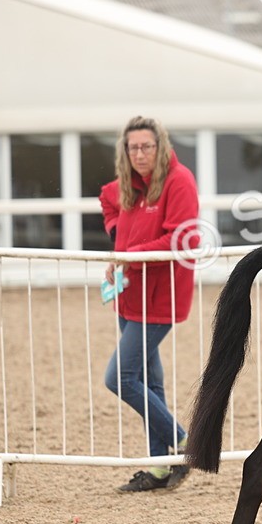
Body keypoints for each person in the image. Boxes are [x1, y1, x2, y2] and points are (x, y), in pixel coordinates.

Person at [99, 115, 199, 492]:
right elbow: (107, 198)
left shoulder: (179, 181)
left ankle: (185, 442)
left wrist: (128, 254)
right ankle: (159, 469)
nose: (139, 153)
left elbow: (182, 240)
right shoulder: (132, 186)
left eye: (146, 146)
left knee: (119, 378)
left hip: (161, 298)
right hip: (129, 296)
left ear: (161, 147)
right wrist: (117, 238)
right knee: (149, 384)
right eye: (133, 147)